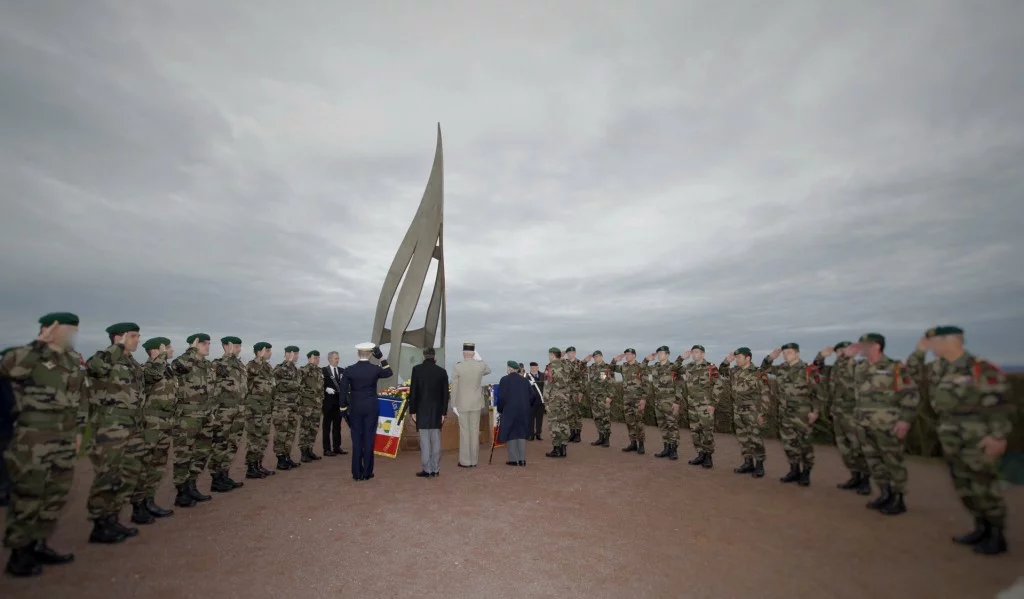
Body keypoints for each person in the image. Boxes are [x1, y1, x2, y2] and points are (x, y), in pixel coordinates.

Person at [908, 325, 1012, 555]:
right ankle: (981, 527)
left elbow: (999, 403)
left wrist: (997, 436)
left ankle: (996, 534)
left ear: (951, 341)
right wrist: (919, 352)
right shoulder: (938, 368)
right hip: (950, 434)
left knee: (983, 485)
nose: (930, 346)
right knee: (963, 484)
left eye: (933, 341)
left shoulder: (978, 367)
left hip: (976, 435)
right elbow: (911, 375)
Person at [2, 313, 83, 577]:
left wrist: (78, 430)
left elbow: (77, 398)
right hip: (34, 437)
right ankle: (19, 553)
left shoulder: (70, 360)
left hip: (64, 435)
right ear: (51, 329)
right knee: (29, 493)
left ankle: (39, 543)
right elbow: (9, 368)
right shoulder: (29, 355)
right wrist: (39, 343)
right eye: (68, 330)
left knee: (56, 493)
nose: (73, 335)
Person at [841, 333, 918, 516]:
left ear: (876, 346)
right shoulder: (860, 367)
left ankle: (898, 498)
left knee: (893, 461)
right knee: (873, 461)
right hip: (863, 423)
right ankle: (885, 493)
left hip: (887, 424)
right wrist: (846, 357)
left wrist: (905, 420)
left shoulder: (894, 367)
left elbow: (910, 394)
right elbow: (843, 378)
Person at [85, 322, 145, 543]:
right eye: (134, 336)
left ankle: (113, 517)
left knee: (129, 473)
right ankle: (100, 524)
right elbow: (94, 367)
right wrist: (117, 347)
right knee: (108, 475)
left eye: (138, 335)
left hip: (133, 426)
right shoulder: (104, 358)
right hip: (110, 429)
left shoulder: (133, 363)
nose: (138, 340)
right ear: (119, 337)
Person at [129, 336, 179, 525]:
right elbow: (151, 376)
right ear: (156, 350)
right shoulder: (146, 369)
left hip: (165, 422)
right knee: (145, 465)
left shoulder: (167, 370)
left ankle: (149, 501)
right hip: (150, 424)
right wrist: (161, 357)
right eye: (167, 347)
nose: (171, 350)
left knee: (158, 464)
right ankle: (138, 506)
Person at [814, 341, 871, 494]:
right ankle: (855, 477)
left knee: (859, 447)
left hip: (854, 415)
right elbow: (816, 367)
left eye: (843, 351)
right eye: (838, 352)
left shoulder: (860, 367)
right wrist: (821, 355)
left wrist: (846, 357)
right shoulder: (834, 369)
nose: (840, 354)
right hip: (837, 414)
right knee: (844, 448)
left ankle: (866, 481)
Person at [761, 343, 822, 486]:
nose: (786, 355)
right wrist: (770, 358)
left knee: (804, 443)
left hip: (802, 414)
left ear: (797, 353)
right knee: (788, 443)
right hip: (785, 413)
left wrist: (815, 411)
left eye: (789, 352)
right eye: (784, 353)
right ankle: (794, 470)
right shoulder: (781, 368)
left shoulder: (808, 370)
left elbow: (818, 393)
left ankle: (806, 472)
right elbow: (764, 369)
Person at [170, 333, 215, 507]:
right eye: (204, 344)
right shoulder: (184, 362)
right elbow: (177, 367)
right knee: (183, 455)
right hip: (187, 417)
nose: (208, 346)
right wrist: (191, 351)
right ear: (194, 345)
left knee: (201, 453)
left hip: (205, 415)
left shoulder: (207, 365)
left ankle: (191, 486)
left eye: (208, 343)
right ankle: (181, 493)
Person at [340, 343, 393, 481]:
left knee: (357, 440)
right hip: (371, 407)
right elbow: (389, 372)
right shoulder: (374, 369)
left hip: (355, 408)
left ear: (358, 354)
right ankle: (367, 472)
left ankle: (357, 473)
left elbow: (343, 391)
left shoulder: (349, 370)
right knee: (369, 439)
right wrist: (381, 357)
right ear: (370, 355)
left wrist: (343, 409)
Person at [718, 348, 770, 478]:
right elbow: (722, 371)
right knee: (743, 438)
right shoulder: (734, 371)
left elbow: (765, 394)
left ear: (748, 358)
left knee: (755, 438)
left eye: (739, 357)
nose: (736, 360)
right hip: (737, 410)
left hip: (752, 411)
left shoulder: (758, 373)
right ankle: (748, 463)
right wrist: (726, 361)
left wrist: (762, 413)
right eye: (736, 358)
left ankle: (759, 465)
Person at [207, 336, 247, 492]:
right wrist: (227, 356)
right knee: (220, 443)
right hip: (224, 411)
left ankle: (224, 474)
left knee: (232, 443)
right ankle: (215, 478)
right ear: (227, 346)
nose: (239, 349)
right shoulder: (218, 363)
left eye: (239, 346)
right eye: (236, 346)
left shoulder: (240, 365)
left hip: (239, 410)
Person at [407, 347, 450, 477]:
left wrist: (412, 410)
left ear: (423, 357)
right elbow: (445, 394)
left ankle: (427, 470)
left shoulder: (417, 370)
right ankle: (435, 469)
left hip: (422, 410)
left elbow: (413, 392)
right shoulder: (442, 372)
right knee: (436, 440)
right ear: (435, 357)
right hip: (437, 411)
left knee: (425, 441)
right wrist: (444, 413)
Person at [677, 345, 719, 468]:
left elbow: (718, 386)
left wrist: (713, 404)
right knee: (695, 431)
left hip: (705, 406)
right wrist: (681, 358)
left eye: (696, 352)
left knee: (707, 430)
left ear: (702, 354)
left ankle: (708, 456)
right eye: (693, 352)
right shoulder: (689, 367)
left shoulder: (711, 368)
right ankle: (700, 454)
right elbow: (673, 369)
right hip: (692, 405)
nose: (694, 354)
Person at [450, 342, 491, 467]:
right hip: (476, 403)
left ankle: (465, 461)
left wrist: (453, 403)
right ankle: (474, 460)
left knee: (464, 432)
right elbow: (488, 370)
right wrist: (480, 359)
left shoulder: (458, 366)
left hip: (462, 403)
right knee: (474, 431)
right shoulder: (480, 365)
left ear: (463, 353)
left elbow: (454, 387)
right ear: (473, 353)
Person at [244, 342, 276, 478]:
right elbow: (251, 373)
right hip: (254, 408)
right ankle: (251, 467)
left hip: (266, 407)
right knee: (254, 437)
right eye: (267, 350)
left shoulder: (268, 367)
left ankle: (258, 464)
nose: (270, 353)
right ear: (259, 351)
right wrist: (259, 358)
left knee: (263, 437)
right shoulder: (251, 365)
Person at [610, 349, 649, 454]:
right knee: (629, 422)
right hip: (627, 399)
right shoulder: (624, 367)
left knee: (639, 422)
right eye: (626, 354)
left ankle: (641, 444)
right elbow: (611, 368)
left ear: (634, 355)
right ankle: (633, 443)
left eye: (629, 354)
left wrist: (643, 399)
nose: (626, 356)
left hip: (638, 399)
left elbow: (646, 383)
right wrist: (614, 360)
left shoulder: (640, 367)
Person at [647, 346, 682, 460]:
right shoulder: (655, 367)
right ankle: (666, 448)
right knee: (663, 426)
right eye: (658, 353)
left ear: (667, 355)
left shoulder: (673, 367)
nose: (659, 355)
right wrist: (647, 360)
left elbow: (679, 385)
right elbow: (640, 369)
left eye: (662, 353)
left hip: (670, 402)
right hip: (658, 403)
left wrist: (677, 401)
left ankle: (674, 450)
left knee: (672, 426)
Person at [272, 346, 302, 471]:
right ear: (289, 354)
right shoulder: (280, 368)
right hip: (282, 407)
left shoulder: (295, 369)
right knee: (281, 433)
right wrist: (288, 362)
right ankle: (280, 459)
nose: (297, 356)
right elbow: (278, 379)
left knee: (290, 433)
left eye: (297, 354)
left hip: (293, 407)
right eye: (295, 354)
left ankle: (286, 456)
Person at [497, 361, 533, 466]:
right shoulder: (524, 380)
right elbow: (532, 395)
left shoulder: (504, 380)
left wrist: (500, 409)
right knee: (521, 433)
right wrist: (527, 405)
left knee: (511, 433)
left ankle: (513, 460)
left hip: (509, 410)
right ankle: (522, 459)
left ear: (509, 368)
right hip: (523, 410)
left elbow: (501, 397)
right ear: (517, 369)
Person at [581, 351, 614, 447]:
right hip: (594, 398)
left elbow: (611, 383)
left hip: (603, 398)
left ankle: (606, 439)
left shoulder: (606, 368)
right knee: (597, 418)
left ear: (601, 356)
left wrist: (610, 397)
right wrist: (584, 361)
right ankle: (600, 437)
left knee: (605, 418)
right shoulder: (592, 367)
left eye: (598, 356)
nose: (596, 358)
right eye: (594, 357)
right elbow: (581, 369)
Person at [297, 350, 324, 462]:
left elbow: (321, 387)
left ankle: (310, 450)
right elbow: (299, 386)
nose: (317, 360)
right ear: (309, 358)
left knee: (314, 429)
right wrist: (310, 394)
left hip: (317, 405)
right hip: (307, 405)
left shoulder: (319, 371)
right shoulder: (303, 370)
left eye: (318, 357)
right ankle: (303, 452)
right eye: (314, 357)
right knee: (305, 429)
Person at [321, 351, 347, 456]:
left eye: (338, 358)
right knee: (326, 426)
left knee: (337, 426)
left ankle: (337, 447)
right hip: (328, 403)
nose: (337, 360)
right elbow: (318, 385)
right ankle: (326, 449)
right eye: (335, 358)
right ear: (330, 359)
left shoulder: (342, 370)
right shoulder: (323, 371)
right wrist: (325, 389)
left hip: (338, 402)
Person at [527, 362, 545, 440]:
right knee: (531, 419)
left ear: (538, 368)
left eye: (535, 367)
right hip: (531, 401)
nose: (533, 369)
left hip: (541, 400)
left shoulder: (543, 375)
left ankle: (538, 434)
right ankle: (531, 434)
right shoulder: (527, 376)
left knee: (539, 418)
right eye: (532, 368)